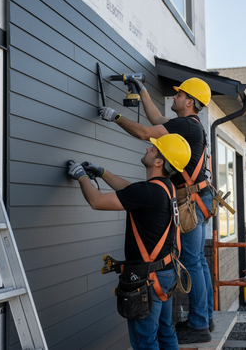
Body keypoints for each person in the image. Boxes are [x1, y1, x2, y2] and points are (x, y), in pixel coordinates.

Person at [99, 77, 214, 344]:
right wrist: (144, 92)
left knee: (193, 262)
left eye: (179, 94)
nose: (174, 97)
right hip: (198, 197)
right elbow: (158, 119)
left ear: (190, 101)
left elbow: (144, 132)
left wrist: (115, 117)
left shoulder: (186, 125)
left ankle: (199, 324)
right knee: (198, 261)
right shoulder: (188, 125)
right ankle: (203, 318)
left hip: (193, 199)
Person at [67, 133, 191, 350]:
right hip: (166, 271)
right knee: (165, 332)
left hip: (149, 277)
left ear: (159, 161)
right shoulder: (165, 188)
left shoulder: (149, 191)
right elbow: (130, 190)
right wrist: (103, 173)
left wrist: (82, 177)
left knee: (145, 341)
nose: (147, 150)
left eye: (152, 149)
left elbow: (96, 201)